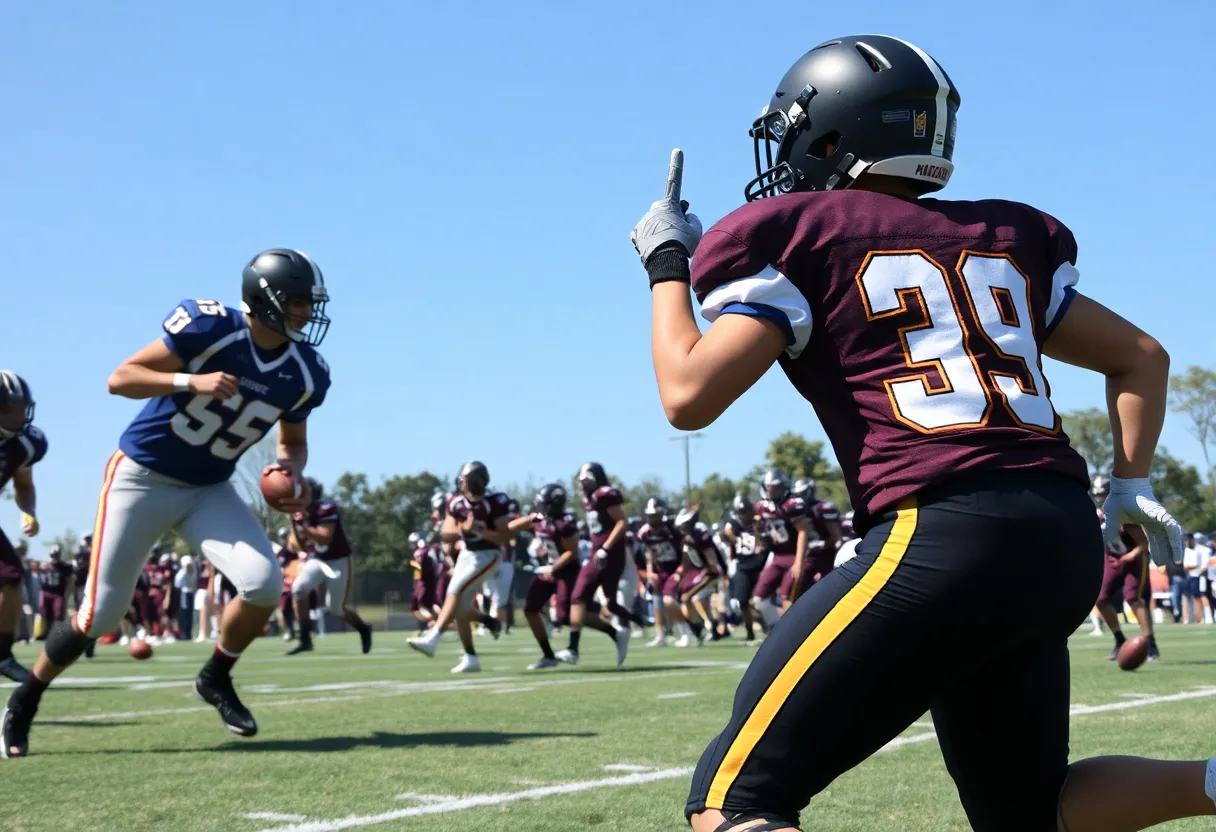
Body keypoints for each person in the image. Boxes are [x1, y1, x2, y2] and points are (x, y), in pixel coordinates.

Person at [631, 33, 1210, 832]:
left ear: (831, 135)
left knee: (735, 801)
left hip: (940, 533)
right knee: (1031, 810)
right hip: (1059, 534)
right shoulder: (1002, 238)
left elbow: (688, 396)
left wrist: (666, 264)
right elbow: (1142, 357)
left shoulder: (802, 232)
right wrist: (1133, 482)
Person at [2, 248, 331, 758]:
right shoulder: (210, 328)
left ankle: (215, 676)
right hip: (143, 478)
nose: (307, 313)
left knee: (265, 583)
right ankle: (25, 698)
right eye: (297, 302)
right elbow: (121, 378)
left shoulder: (306, 371)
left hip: (209, 488)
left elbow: (292, 440)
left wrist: (293, 473)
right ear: (264, 301)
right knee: (101, 615)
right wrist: (189, 380)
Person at [0, 372, 45, 682]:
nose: (23, 413)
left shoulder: (26, 443)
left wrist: (28, 511)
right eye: (16, 406)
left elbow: (24, 484)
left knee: (11, 577)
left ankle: (2, 654)